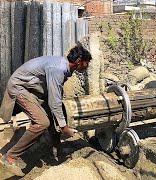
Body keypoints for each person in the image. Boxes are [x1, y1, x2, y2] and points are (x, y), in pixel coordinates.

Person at [0, 42, 92, 176]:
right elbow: (55, 102)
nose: (87, 66)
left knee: (52, 115)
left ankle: (56, 150)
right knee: (42, 122)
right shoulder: (58, 69)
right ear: (78, 61)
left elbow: (55, 99)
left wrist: (60, 120)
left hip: (32, 89)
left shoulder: (65, 67)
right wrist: (64, 128)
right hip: (20, 87)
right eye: (86, 63)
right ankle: (10, 157)